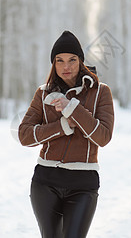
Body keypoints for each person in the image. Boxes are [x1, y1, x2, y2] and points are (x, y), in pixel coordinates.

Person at [18, 30, 114, 238]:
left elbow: (103, 136)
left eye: (72, 59)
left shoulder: (101, 92)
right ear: (53, 64)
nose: (66, 66)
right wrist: (62, 126)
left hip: (83, 184)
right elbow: (24, 135)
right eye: (59, 61)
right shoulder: (43, 93)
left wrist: (72, 108)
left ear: (81, 61)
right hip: (45, 181)